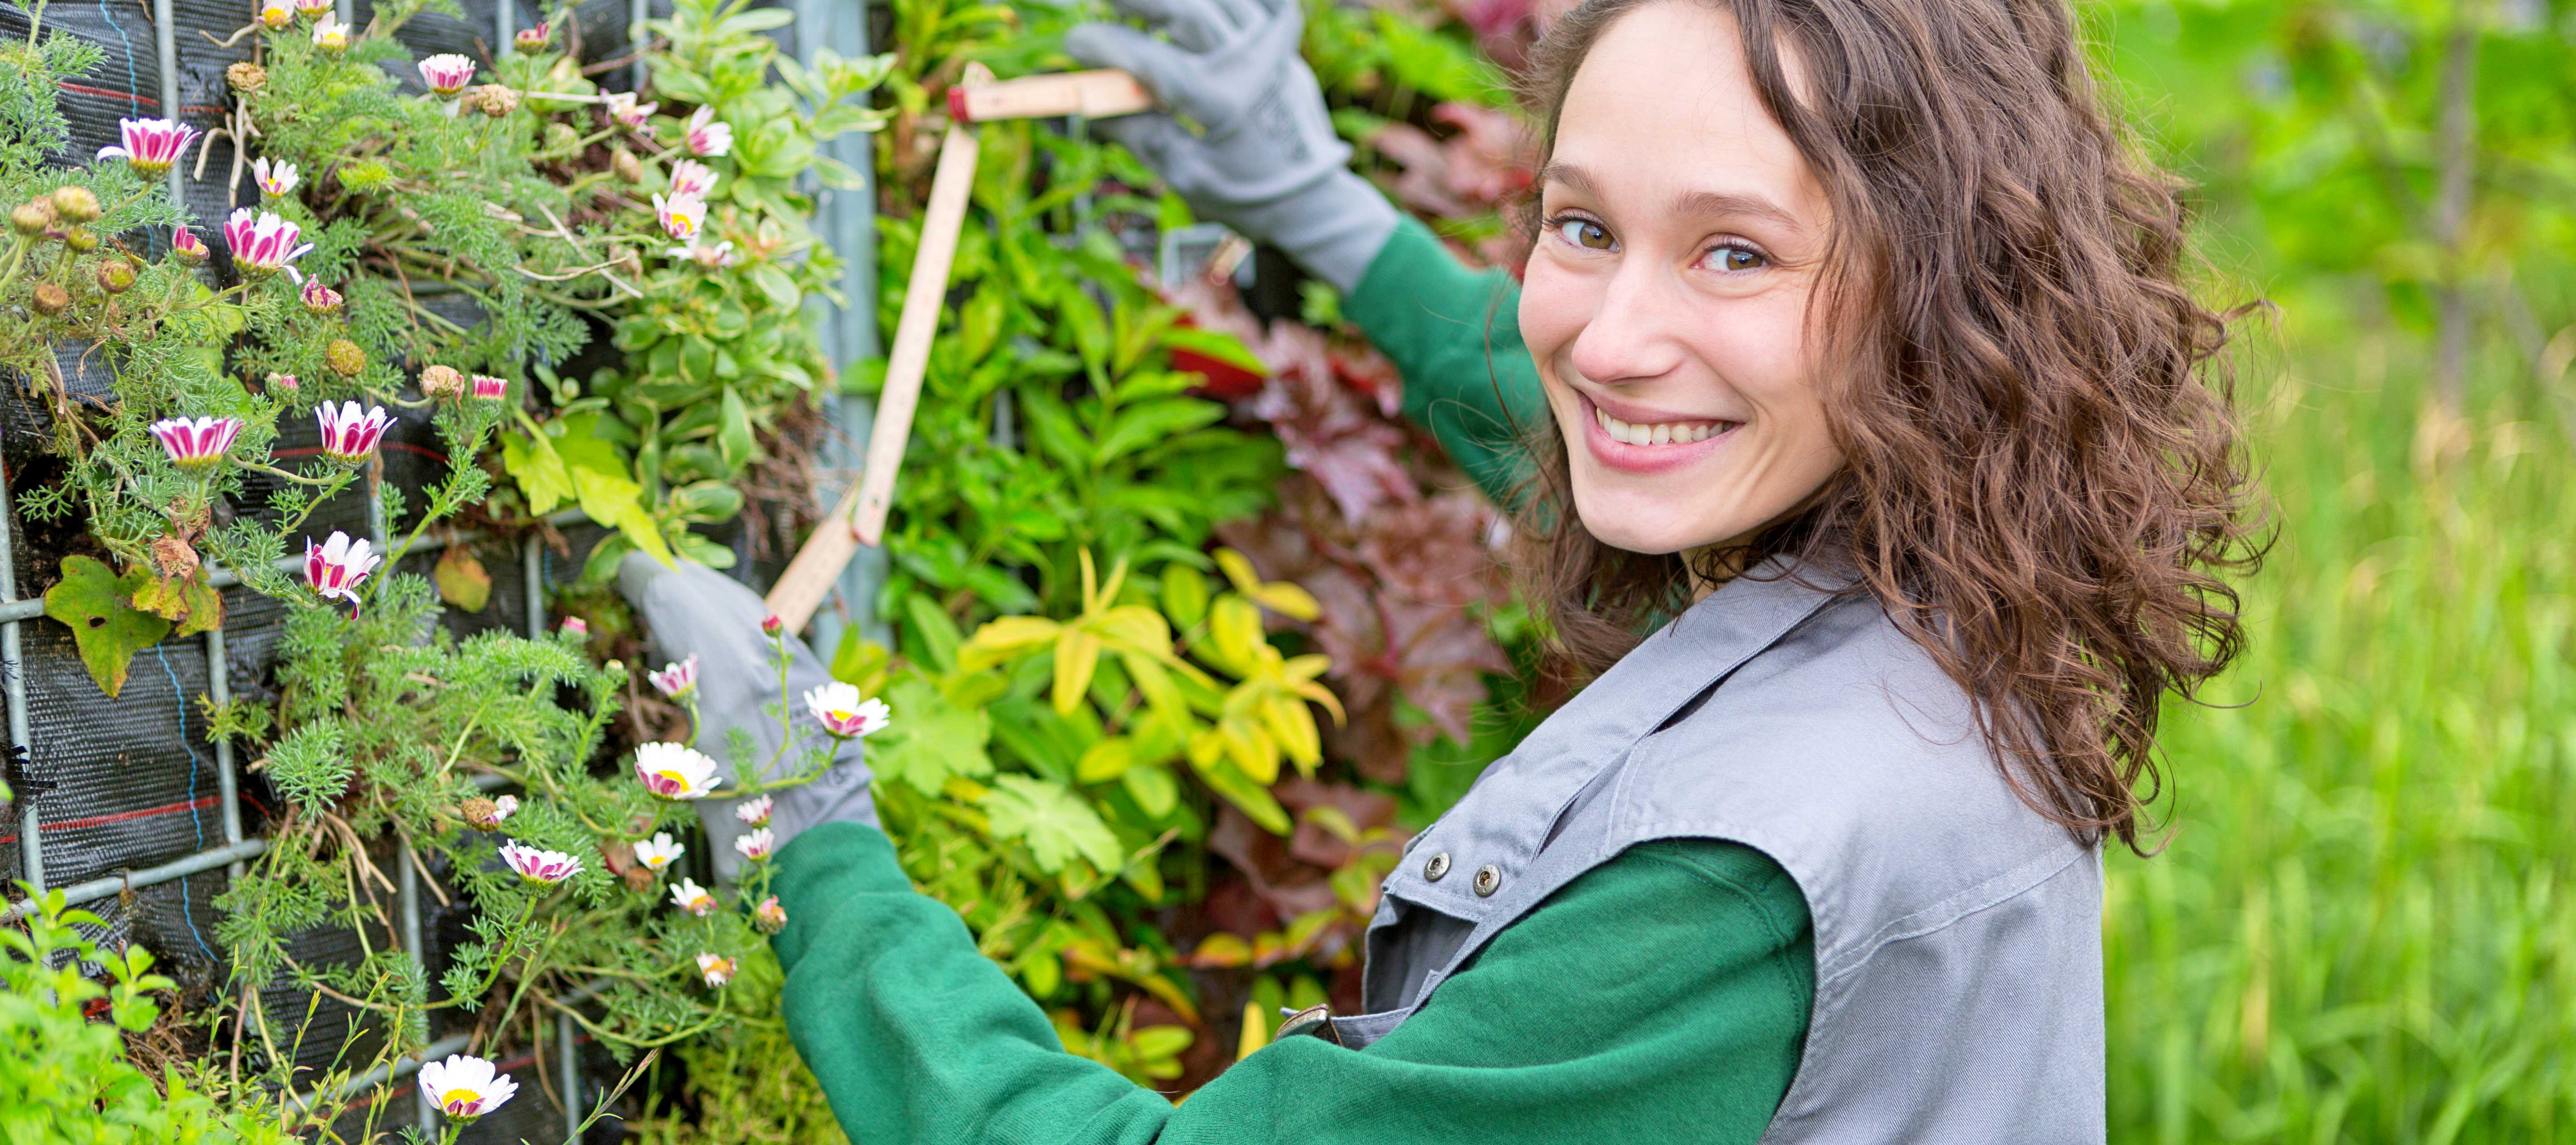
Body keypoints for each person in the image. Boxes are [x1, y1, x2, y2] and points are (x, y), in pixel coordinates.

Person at [619, 0, 2260, 1138]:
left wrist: (808, 831)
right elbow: (1602, 409)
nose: (1612, 338)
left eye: (1735, 250)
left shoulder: (1720, 897)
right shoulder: (1950, 577)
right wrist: (1319, 211)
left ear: (1940, 288)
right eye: (1580, 225)